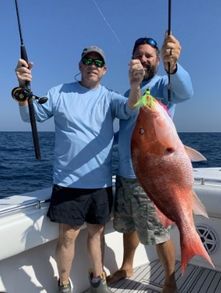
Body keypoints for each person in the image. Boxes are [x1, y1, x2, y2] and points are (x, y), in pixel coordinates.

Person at [15, 46, 144, 293]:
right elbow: (30, 116)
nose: (92, 64)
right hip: (67, 183)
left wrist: (136, 84)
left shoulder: (110, 97)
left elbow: (131, 108)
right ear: (80, 65)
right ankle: (64, 283)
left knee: (97, 234)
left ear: (104, 70)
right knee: (68, 237)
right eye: (88, 60)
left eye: (98, 61)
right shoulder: (59, 92)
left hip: (101, 183)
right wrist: (23, 88)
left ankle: (98, 280)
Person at [107, 34, 194, 293]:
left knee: (157, 233)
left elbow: (185, 92)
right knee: (127, 225)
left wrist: (174, 67)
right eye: (138, 55)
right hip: (124, 175)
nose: (143, 59)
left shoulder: (162, 86)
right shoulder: (127, 93)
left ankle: (169, 279)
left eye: (149, 55)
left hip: (150, 177)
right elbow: (123, 132)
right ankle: (127, 265)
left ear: (157, 60)